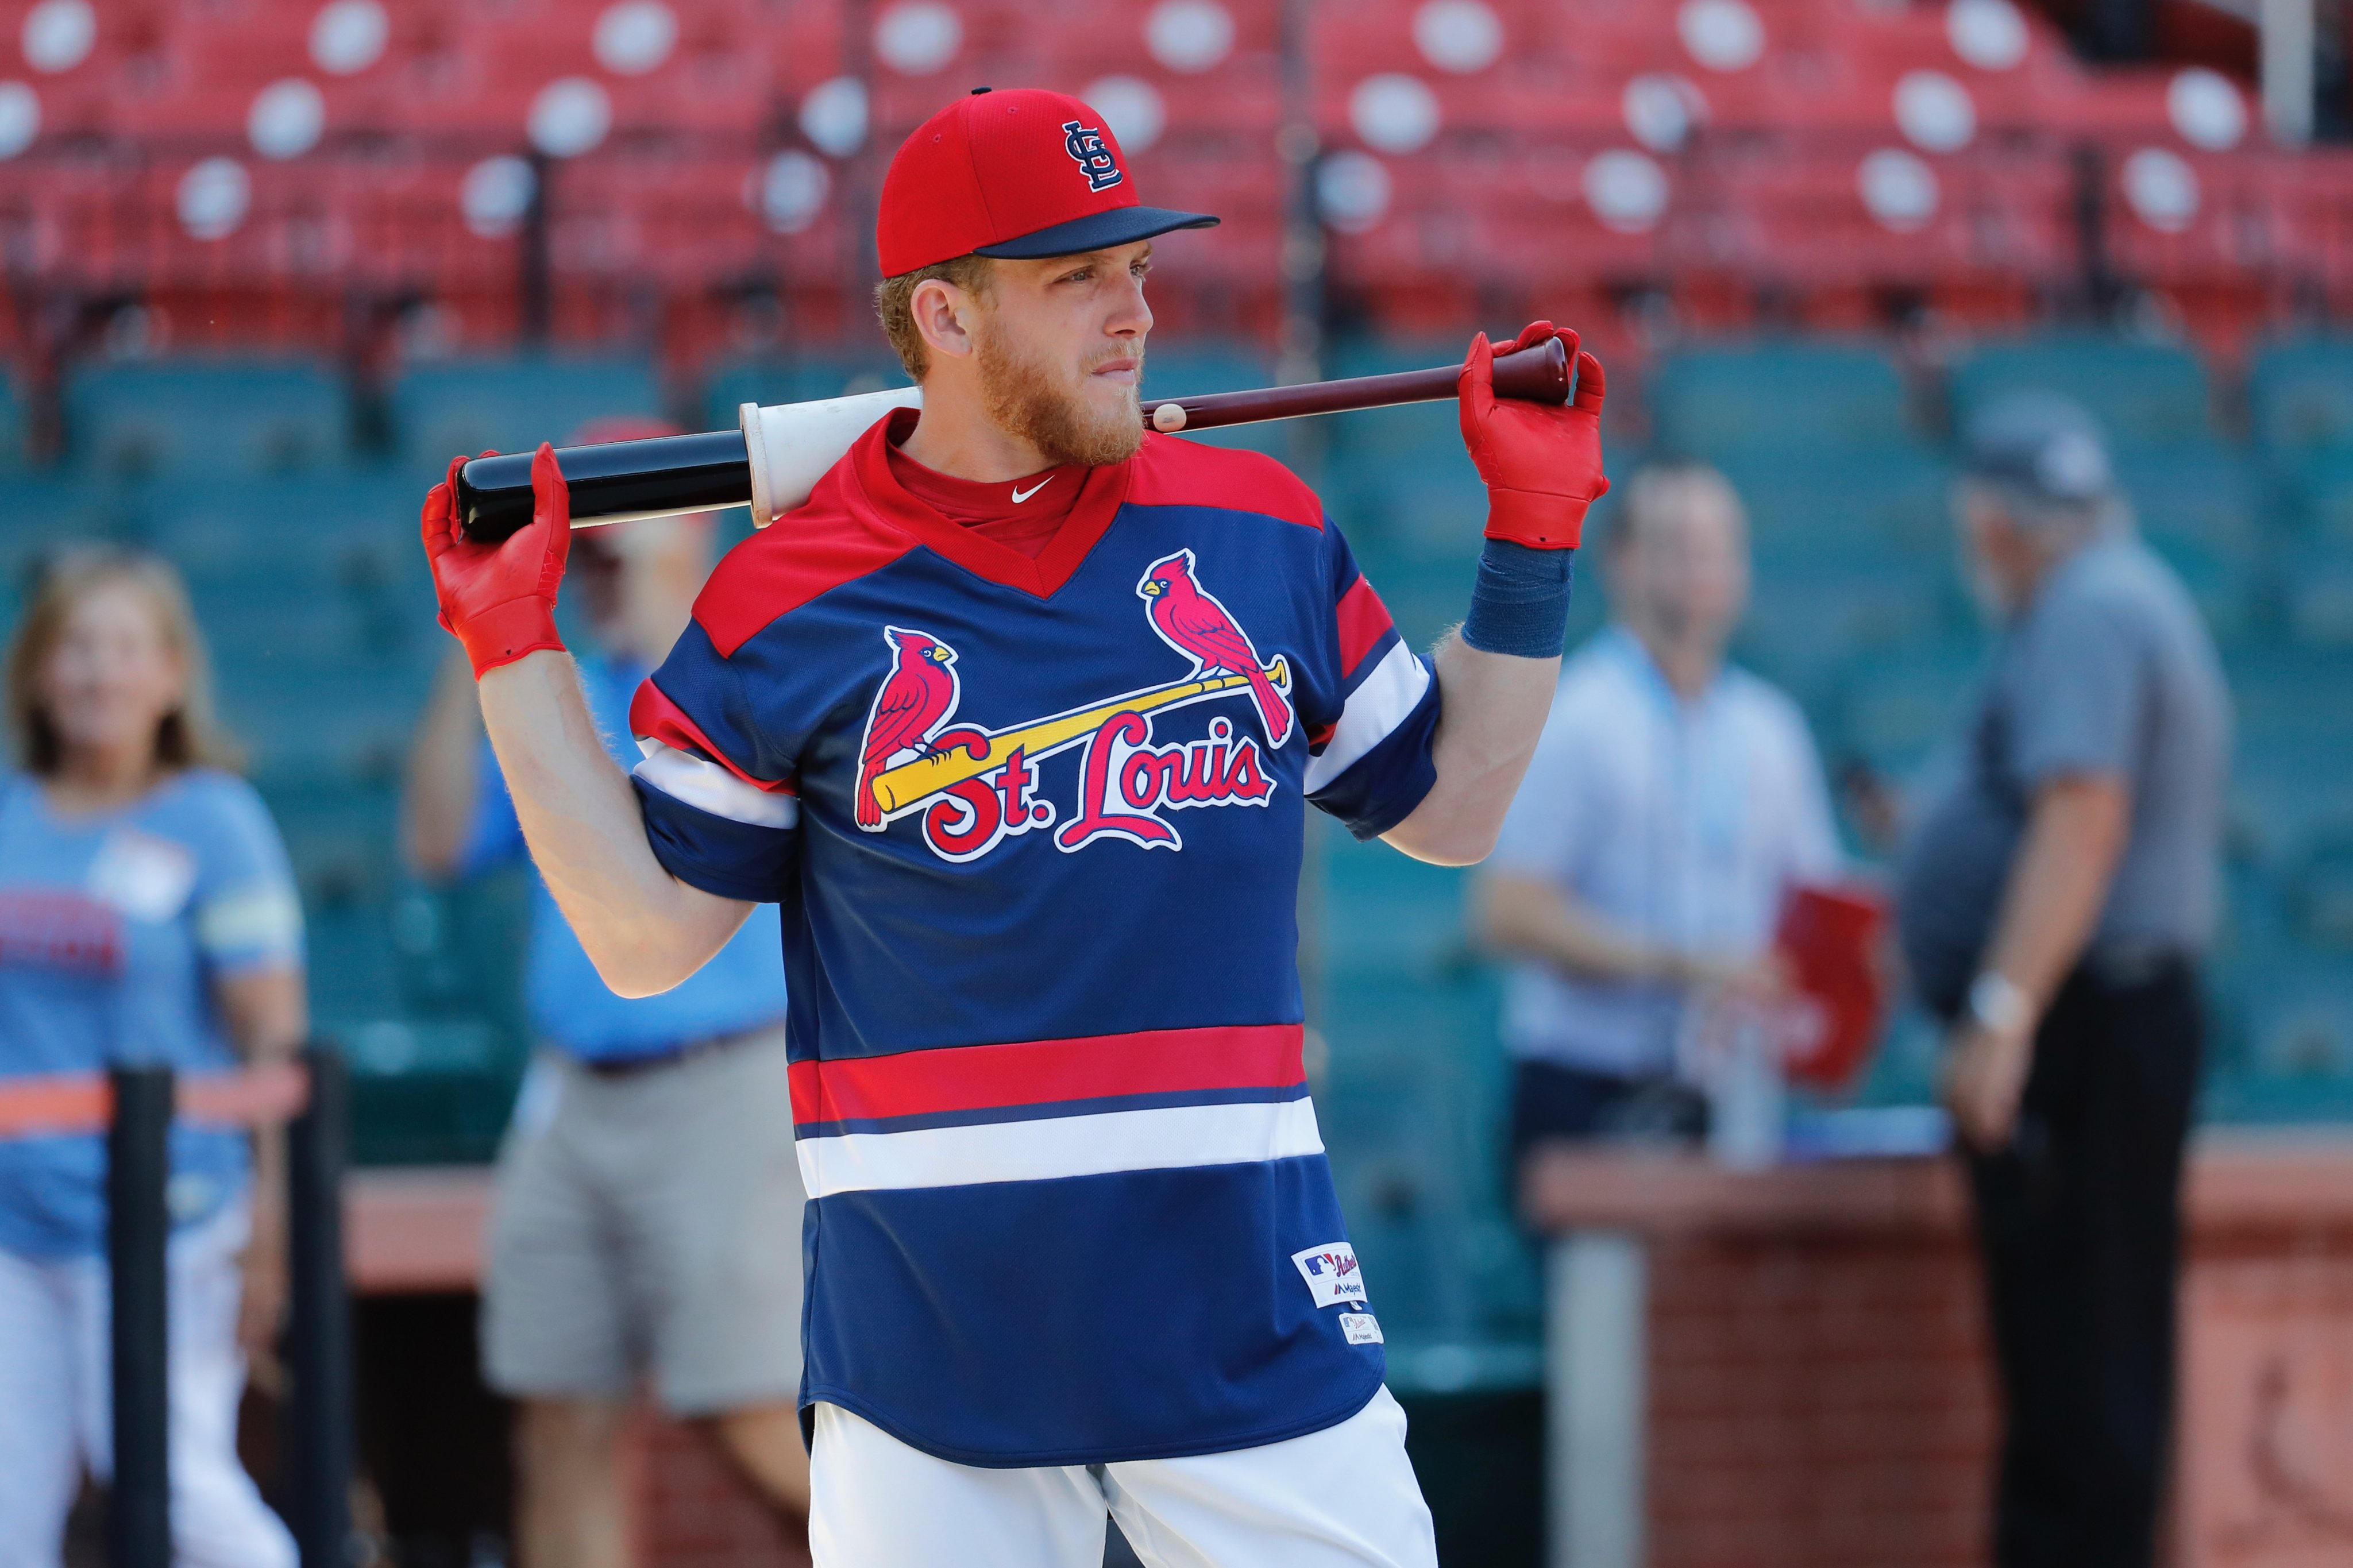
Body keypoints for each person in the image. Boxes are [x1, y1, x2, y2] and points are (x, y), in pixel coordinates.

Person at [415, 86, 1605, 1567]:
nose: (1133, 315)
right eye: (1075, 279)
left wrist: (1535, 541)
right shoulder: (785, 603)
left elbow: (1450, 808)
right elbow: (646, 938)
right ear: (947, 317)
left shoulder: (1262, 529)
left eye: (1138, 272)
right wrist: (515, 655)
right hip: (931, 1353)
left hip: (1243, 1308)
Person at [403, 448, 807, 1568]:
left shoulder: (745, 679)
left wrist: (654, 610)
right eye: (583, 557)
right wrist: (478, 633)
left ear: (689, 544)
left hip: (723, 1084)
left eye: (615, 551)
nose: (591, 576)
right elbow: (437, 843)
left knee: (757, 1417)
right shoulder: (551, 687)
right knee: (557, 1420)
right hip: (575, 1096)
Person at [1895, 392, 2229, 1568]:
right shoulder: (2123, 592)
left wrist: (1999, 1010)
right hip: (2105, 1016)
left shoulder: (2087, 608)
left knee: (2079, 1365)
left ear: (1992, 521)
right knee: (2085, 1359)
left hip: (2089, 1023)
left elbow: (2081, 816)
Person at [0, 549, 302, 1568]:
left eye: (125, 649)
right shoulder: (9, 818)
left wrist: (272, 1218)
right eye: (77, 648)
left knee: (173, 1488)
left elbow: (273, 1035)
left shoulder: (215, 820)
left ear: (171, 674)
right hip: (14, 1224)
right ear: (39, 671)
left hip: (165, 1219)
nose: (99, 674)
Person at [1473, 461, 1842, 1163]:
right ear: (1622, 561)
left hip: (1726, 1088)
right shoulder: (1574, 715)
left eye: (1721, 546)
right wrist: (1681, 964)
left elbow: (1814, 902)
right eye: (1678, 544)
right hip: (1589, 1082)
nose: (1704, 567)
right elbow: (1505, 911)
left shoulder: (1771, 728)